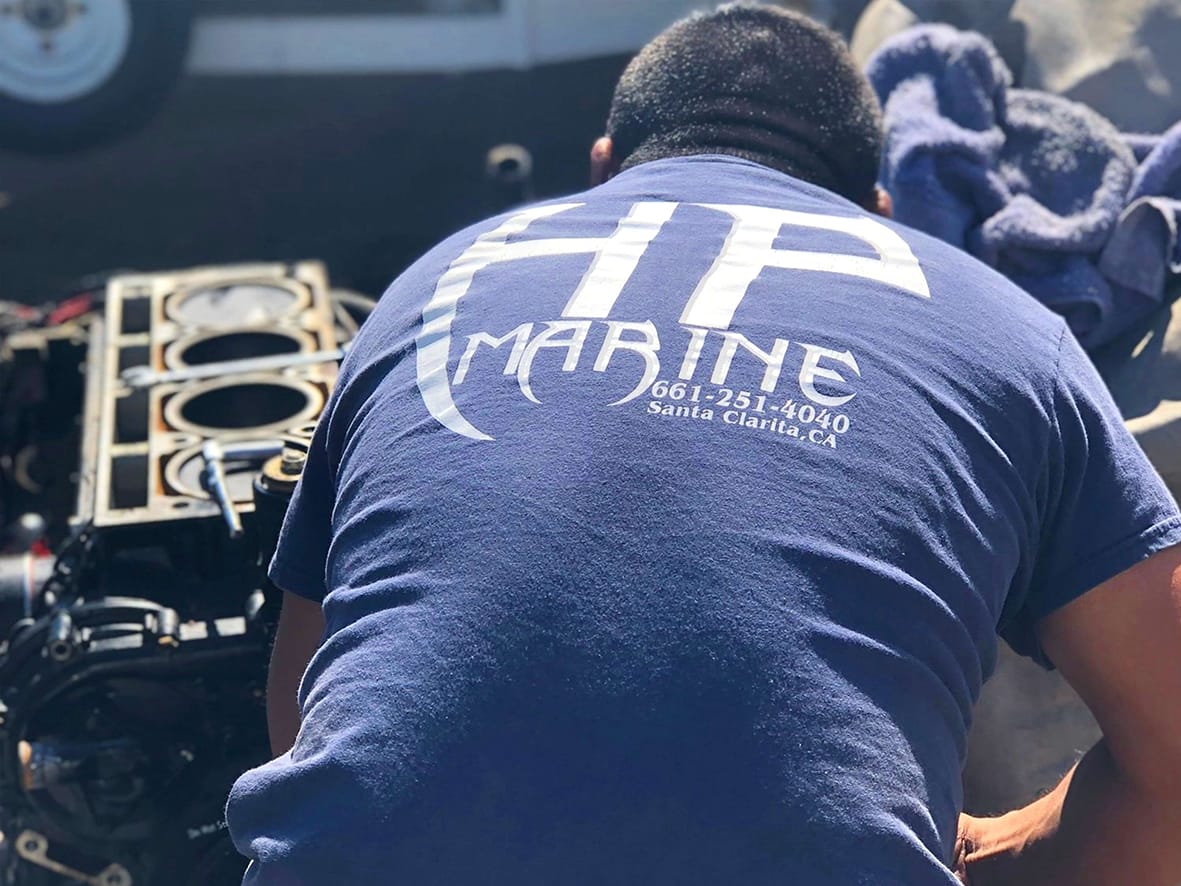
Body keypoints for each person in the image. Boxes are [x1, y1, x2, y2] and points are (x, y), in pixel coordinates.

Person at [226, 4, 1181, 883]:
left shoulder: (430, 290)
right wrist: (974, 854)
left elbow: (305, 705)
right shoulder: (1005, 332)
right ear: (879, 213)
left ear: (603, 168)